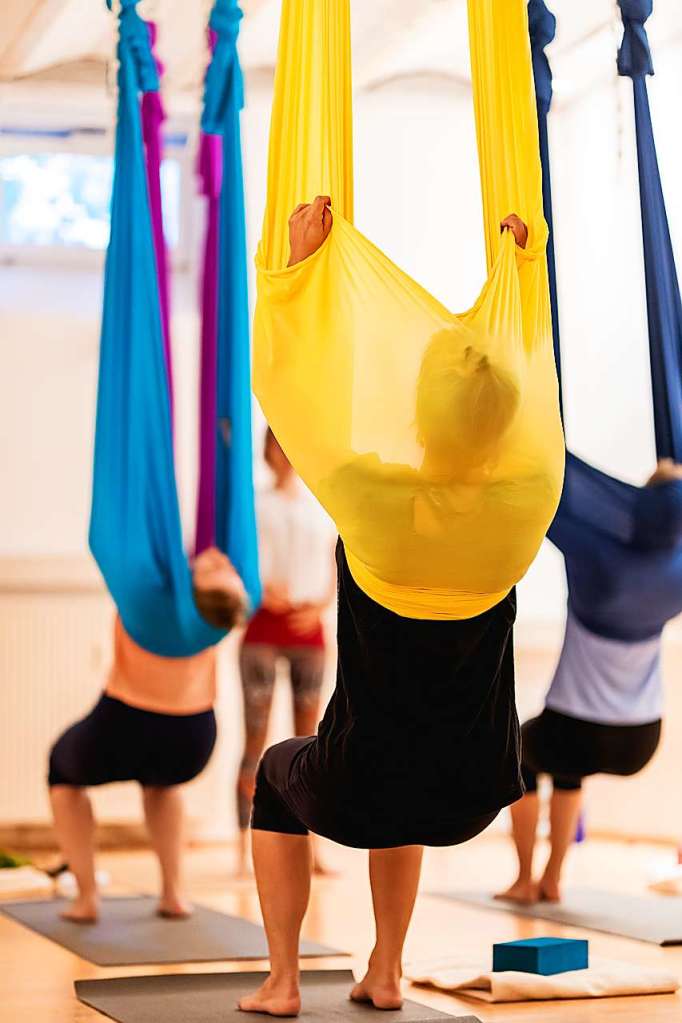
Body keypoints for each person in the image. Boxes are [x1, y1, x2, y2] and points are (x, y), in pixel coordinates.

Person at [238, 198, 533, 1017]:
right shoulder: (523, 503)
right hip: (475, 783)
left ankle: (283, 981)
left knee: (274, 770)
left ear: (420, 413)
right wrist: (518, 280)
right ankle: (387, 971)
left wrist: (303, 274)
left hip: (366, 775)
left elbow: (302, 406)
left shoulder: (374, 495)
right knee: (404, 760)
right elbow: (534, 387)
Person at [498, 458, 682, 905]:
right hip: (641, 738)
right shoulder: (673, 575)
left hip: (576, 726)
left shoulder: (600, 559)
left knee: (517, 757)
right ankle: (553, 878)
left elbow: (553, 507)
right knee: (565, 769)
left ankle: (525, 880)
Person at [48, 547, 246, 924]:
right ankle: (174, 893)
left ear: (197, 591)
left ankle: (87, 897)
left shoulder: (145, 599)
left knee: (61, 769)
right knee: (162, 784)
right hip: (193, 736)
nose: (217, 557)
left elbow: (127, 558)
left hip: (125, 723)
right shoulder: (217, 618)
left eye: (217, 568)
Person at [236, 428, 336, 876]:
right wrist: (259, 592)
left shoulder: (324, 505)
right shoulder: (254, 505)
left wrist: (319, 605)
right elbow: (242, 562)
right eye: (278, 443)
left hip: (308, 629)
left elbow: (340, 562)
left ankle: (310, 845)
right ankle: (245, 846)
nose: (286, 453)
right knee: (255, 738)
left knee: (311, 742)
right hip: (263, 625)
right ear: (267, 451)